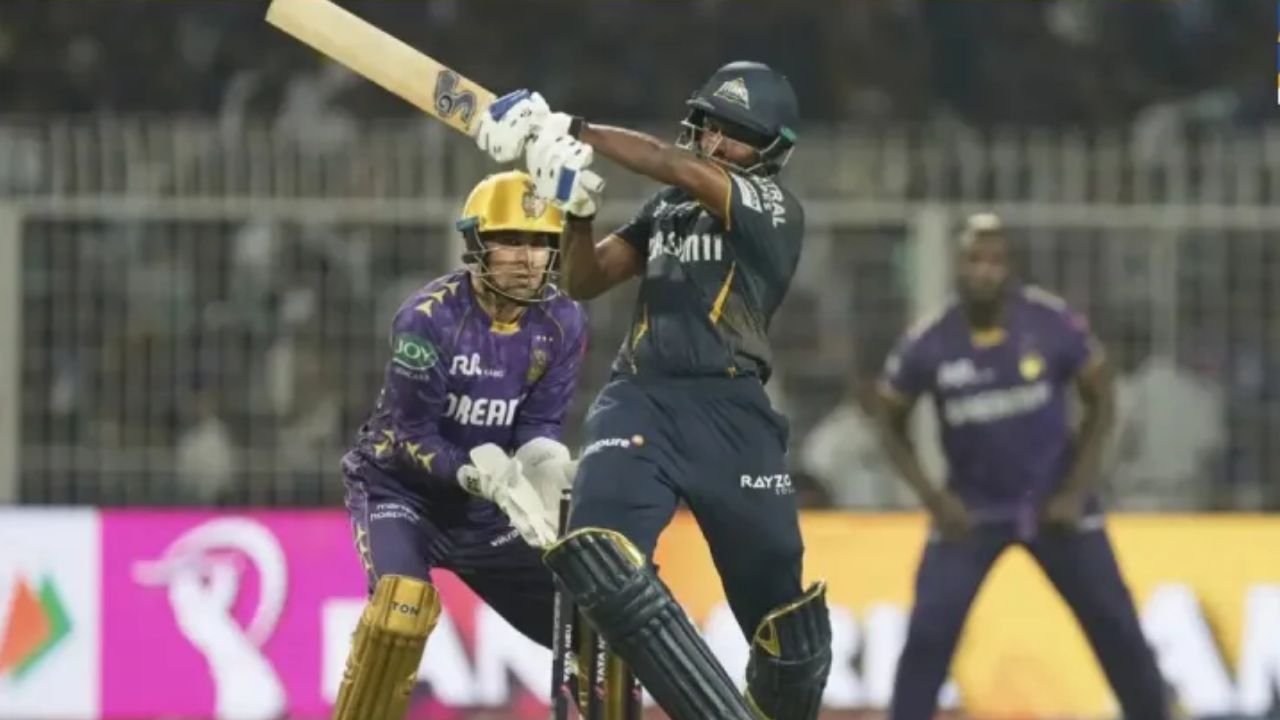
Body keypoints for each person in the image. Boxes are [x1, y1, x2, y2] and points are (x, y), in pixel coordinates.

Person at [473, 61, 833, 720]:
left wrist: (572, 129)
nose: (714, 141)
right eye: (710, 125)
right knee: (601, 561)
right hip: (639, 399)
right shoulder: (667, 208)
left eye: (733, 134)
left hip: (731, 412)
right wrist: (578, 214)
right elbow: (585, 280)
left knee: (788, 633)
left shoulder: (774, 210)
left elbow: (674, 164)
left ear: (769, 150)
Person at [875, 213, 1170, 720]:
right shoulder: (931, 341)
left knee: (1116, 625)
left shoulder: (1050, 322)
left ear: (1010, 267)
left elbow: (1102, 398)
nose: (985, 271)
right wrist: (935, 499)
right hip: (972, 512)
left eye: (995, 261)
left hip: (1055, 507)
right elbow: (888, 418)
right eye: (974, 260)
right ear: (957, 266)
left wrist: (1076, 489)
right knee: (928, 634)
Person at [330, 170, 589, 720]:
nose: (528, 259)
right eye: (511, 240)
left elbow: (538, 425)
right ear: (476, 244)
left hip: (485, 510)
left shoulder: (563, 321)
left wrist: (543, 466)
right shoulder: (427, 319)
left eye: (541, 242)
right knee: (399, 613)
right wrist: (473, 473)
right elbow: (409, 436)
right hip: (402, 494)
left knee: (591, 632)